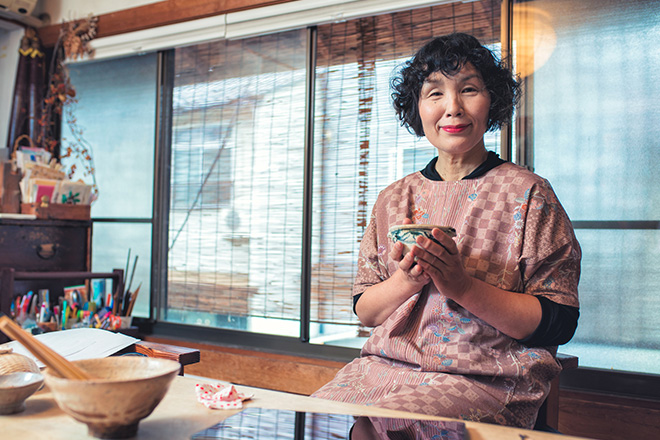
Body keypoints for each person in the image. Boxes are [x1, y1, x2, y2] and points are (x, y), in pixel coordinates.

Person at [312, 33, 581, 429]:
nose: (452, 108)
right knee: (314, 413)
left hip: (485, 377)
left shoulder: (529, 193)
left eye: (469, 90)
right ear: (417, 108)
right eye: (434, 93)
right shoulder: (393, 198)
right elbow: (365, 310)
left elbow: (559, 321)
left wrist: (461, 285)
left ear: (493, 102)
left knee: (402, 422)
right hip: (384, 369)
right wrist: (406, 279)